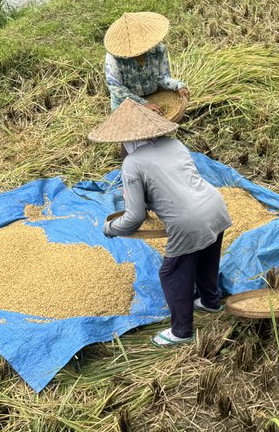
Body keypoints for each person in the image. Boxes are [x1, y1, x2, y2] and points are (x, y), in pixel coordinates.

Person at [89, 99, 232, 347]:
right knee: (206, 257)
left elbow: (134, 217)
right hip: (214, 205)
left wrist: (110, 228)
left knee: (172, 273)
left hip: (188, 221)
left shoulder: (132, 163)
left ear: (124, 140)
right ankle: (211, 302)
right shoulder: (174, 144)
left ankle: (181, 331)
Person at [104, 11, 190, 114]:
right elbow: (116, 88)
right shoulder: (114, 58)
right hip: (126, 104)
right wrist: (143, 104)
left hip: (154, 97)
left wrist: (178, 85)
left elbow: (162, 77)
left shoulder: (159, 50)